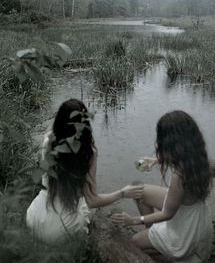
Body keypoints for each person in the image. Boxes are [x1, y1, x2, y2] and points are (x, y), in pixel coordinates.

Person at [26, 98, 143, 244]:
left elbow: (57, 130)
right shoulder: (88, 154)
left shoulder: (48, 142)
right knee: (88, 208)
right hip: (61, 231)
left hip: (34, 219)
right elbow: (93, 200)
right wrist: (123, 193)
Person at [112, 110, 213, 262]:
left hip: (184, 231)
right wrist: (156, 160)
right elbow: (181, 156)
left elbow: (167, 214)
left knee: (134, 242)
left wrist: (133, 220)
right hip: (194, 215)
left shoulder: (179, 176)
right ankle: (155, 238)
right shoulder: (199, 157)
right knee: (138, 190)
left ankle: (167, 251)